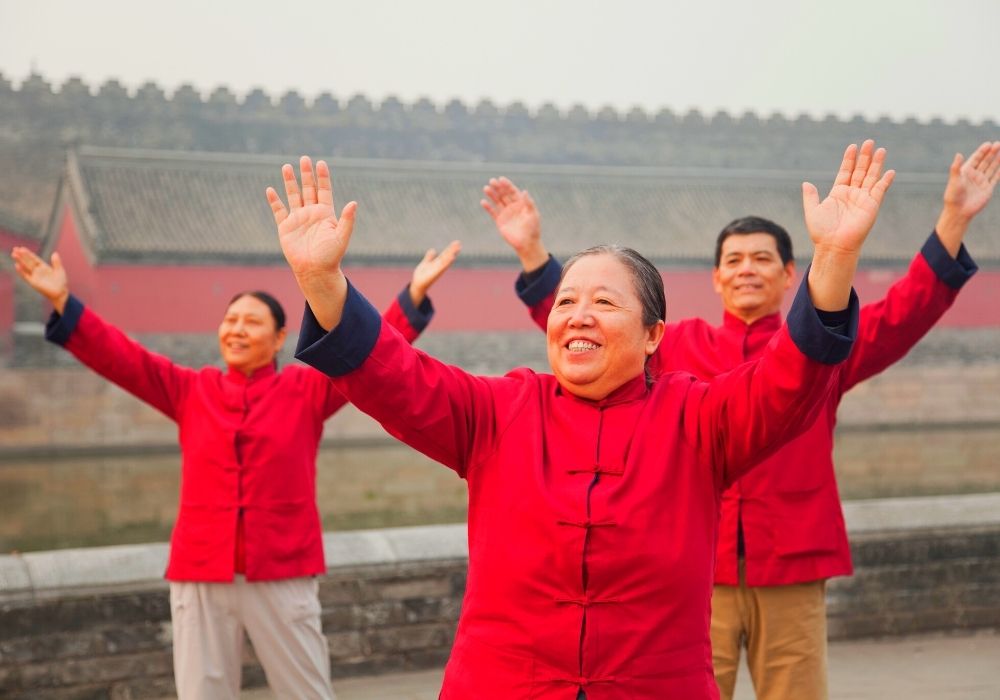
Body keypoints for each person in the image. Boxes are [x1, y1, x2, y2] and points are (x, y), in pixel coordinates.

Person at [265, 144, 890, 699]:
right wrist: (322, 280)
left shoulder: (699, 418)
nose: (579, 315)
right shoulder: (497, 411)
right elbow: (393, 375)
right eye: (567, 301)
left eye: (604, 301)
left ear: (652, 336)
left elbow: (792, 378)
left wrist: (833, 257)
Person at [483, 140, 998, 700]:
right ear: (716, 279)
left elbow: (905, 311)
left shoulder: (822, 347)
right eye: (733, 260)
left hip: (793, 560)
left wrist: (952, 218)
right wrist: (534, 252)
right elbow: (591, 334)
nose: (746, 270)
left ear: (789, 276)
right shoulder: (676, 346)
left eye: (761, 260)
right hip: (697, 572)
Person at [10, 233, 461, 700]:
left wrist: (412, 299)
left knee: (307, 691)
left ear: (280, 337)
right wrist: (63, 299)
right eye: (230, 320)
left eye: (252, 321)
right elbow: (126, 360)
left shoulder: (307, 393)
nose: (237, 330)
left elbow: (361, 357)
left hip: (283, 569)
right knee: (203, 692)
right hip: (201, 569)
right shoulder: (190, 390)